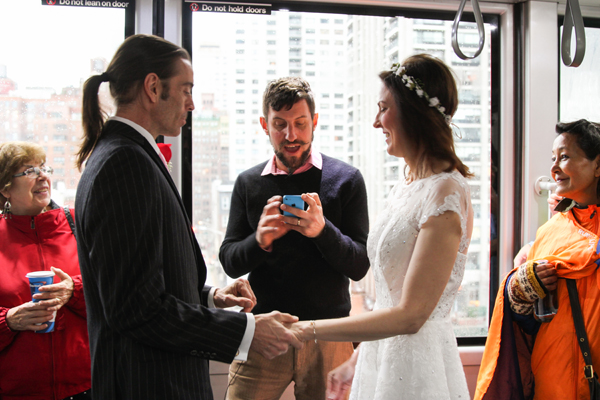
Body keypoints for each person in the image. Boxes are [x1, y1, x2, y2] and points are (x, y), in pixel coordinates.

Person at [74, 34, 302, 400]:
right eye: (185, 89)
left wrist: (211, 297)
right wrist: (246, 331)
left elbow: (146, 282)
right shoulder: (124, 164)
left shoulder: (126, 155)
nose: (192, 103)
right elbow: (137, 309)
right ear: (152, 87)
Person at [290, 54, 474, 400]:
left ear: (413, 114)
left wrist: (305, 330)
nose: (376, 122)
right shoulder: (405, 188)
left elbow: (411, 316)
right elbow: (392, 298)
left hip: (419, 369)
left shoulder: (446, 193)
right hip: (381, 361)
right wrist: (358, 360)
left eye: (383, 108)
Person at [219, 76, 370, 400]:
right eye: (280, 124)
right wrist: (259, 240)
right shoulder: (248, 183)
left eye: (301, 123)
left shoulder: (347, 180)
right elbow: (229, 260)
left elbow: (359, 265)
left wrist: (322, 231)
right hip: (264, 330)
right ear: (264, 124)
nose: (291, 135)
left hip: (330, 334)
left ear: (314, 122)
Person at [475, 119, 600, 400]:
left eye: (565, 157)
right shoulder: (548, 233)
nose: (554, 168)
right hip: (551, 380)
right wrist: (518, 290)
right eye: (553, 158)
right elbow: (531, 321)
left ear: (597, 166)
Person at [0, 141, 91, 400]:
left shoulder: (79, 224)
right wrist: (8, 321)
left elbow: (115, 291)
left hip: (87, 386)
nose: (42, 176)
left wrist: (73, 289)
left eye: (43, 168)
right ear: (5, 188)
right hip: (19, 392)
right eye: (29, 171)